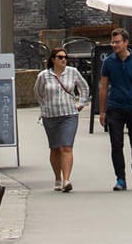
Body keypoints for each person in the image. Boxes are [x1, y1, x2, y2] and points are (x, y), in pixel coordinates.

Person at [98, 28, 132, 191]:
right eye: (112, 42)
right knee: (116, 144)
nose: (114, 45)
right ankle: (120, 178)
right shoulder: (108, 62)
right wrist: (102, 111)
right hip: (115, 107)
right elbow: (103, 87)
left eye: (117, 42)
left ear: (126, 43)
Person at [36, 47, 89, 192]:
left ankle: (66, 180)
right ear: (53, 59)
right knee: (54, 148)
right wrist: (45, 106)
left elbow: (84, 88)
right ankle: (57, 178)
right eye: (60, 57)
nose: (63, 59)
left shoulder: (72, 72)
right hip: (50, 115)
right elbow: (38, 93)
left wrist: (81, 103)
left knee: (66, 146)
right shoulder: (43, 75)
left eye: (65, 57)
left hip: (69, 114)